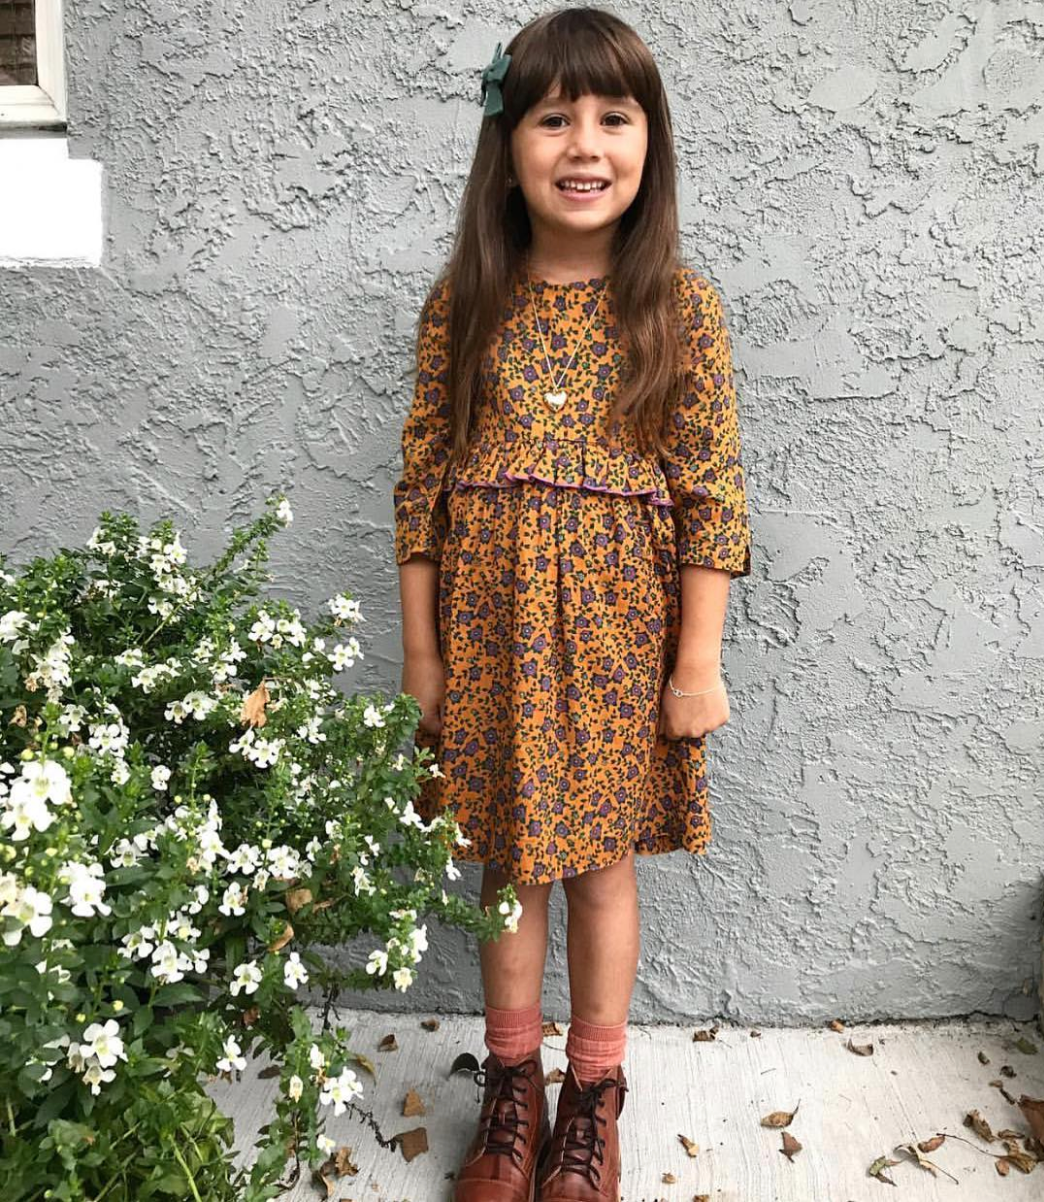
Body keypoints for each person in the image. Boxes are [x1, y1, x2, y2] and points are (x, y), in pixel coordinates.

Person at [393, 8, 753, 1199]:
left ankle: (592, 1095)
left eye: (612, 117)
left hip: (616, 649)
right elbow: (422, 489)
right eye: (553, 118)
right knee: (506, 862)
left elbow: (710, 496)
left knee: (599, 868)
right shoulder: (466, 302)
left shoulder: (678, 307)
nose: (584, 145)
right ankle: (513, 1085)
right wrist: (422, 655)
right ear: (508, 147)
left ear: (652, 142)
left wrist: (695, 663)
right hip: (491, 641)